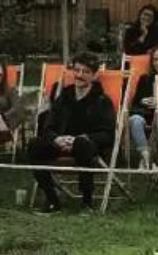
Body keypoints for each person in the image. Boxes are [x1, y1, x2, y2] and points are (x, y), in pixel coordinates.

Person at [28, 52, 116, 212]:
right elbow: (48, 127)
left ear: (94, 75)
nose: (79, 75)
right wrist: (56, 139)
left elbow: (108, 134)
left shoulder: (102, 101)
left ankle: (87, 202)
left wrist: (83, 138)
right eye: (77, 70)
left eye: (85, 72)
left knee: (82, 144)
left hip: (88, 146)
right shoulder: (63, 97)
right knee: (34, 145)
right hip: (61, 143)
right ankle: (52, 199)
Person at [126, 45, 158, 168]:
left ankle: (151, 161)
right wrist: (142, 101)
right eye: (155, 60)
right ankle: (146, 157)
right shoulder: (145, 79)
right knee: (135, 120)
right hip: (145, 115)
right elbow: (134, 104)